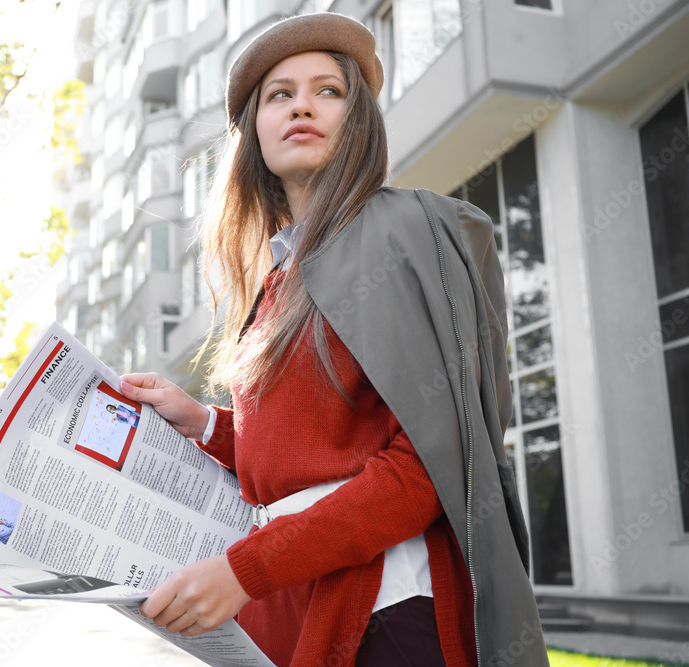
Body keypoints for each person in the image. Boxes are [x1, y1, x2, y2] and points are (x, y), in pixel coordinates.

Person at [121, 12, 547, 667]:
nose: (302, 106)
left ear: (360, 118)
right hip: (292, 604)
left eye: (329, 90)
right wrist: (205, 422)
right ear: (253, 132)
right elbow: (314, 445)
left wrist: (243, 570)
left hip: (387, 613)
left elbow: (423, 467)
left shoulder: (402, 230)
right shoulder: (280, 273)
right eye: (279, 94)